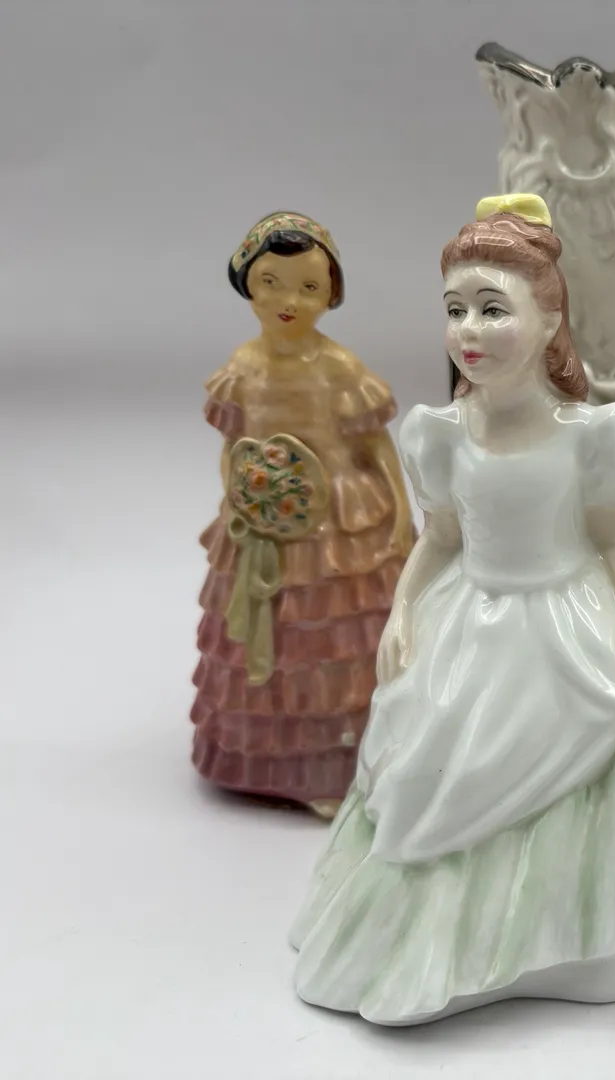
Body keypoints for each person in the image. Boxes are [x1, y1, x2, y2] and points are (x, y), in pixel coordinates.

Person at [288, 194, 615, 1026]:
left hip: (566, 623)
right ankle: (431, 942)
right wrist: (403, 612)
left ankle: (587, 936)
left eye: (493, 309)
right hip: (474, 622)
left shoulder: (592, 434)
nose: (468, 329)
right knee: (434, 766)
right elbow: (441, 538)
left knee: (606, 747)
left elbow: (613, 537)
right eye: (455, 309)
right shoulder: (441, 433)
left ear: (548, 322)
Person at [193, 212, 413, 817]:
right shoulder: (243, 368)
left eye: (309, 288)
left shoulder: (338, 368)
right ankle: (256, 759)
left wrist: (399, 511)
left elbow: (375, 446)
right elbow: (232, 445)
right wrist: (241, 495)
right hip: (262, 518)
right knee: (267, 633)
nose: (289, 301)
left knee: (332, 641)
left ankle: (336, 764)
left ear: (330, 295)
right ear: (247, 283)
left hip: (336, 518)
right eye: (272, 283)